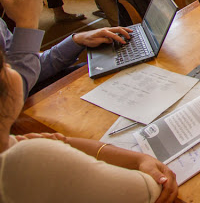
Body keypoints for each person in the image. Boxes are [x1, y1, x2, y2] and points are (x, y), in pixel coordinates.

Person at [0, 49, 178, 202]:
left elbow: (62, 141)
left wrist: (140, 159)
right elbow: (151, 188)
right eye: (5, 66)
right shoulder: (27, 158)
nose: (11, 67)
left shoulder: (10, 145)